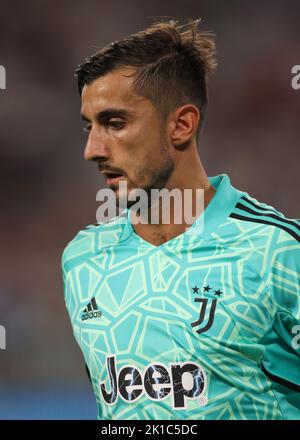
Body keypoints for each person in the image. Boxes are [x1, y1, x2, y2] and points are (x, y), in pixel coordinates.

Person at [62, 18, 300, 420]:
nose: (92, 149)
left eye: (114, 123)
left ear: (181, 124)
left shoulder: (279, 251)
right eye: (89, 126)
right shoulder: (82, 261)